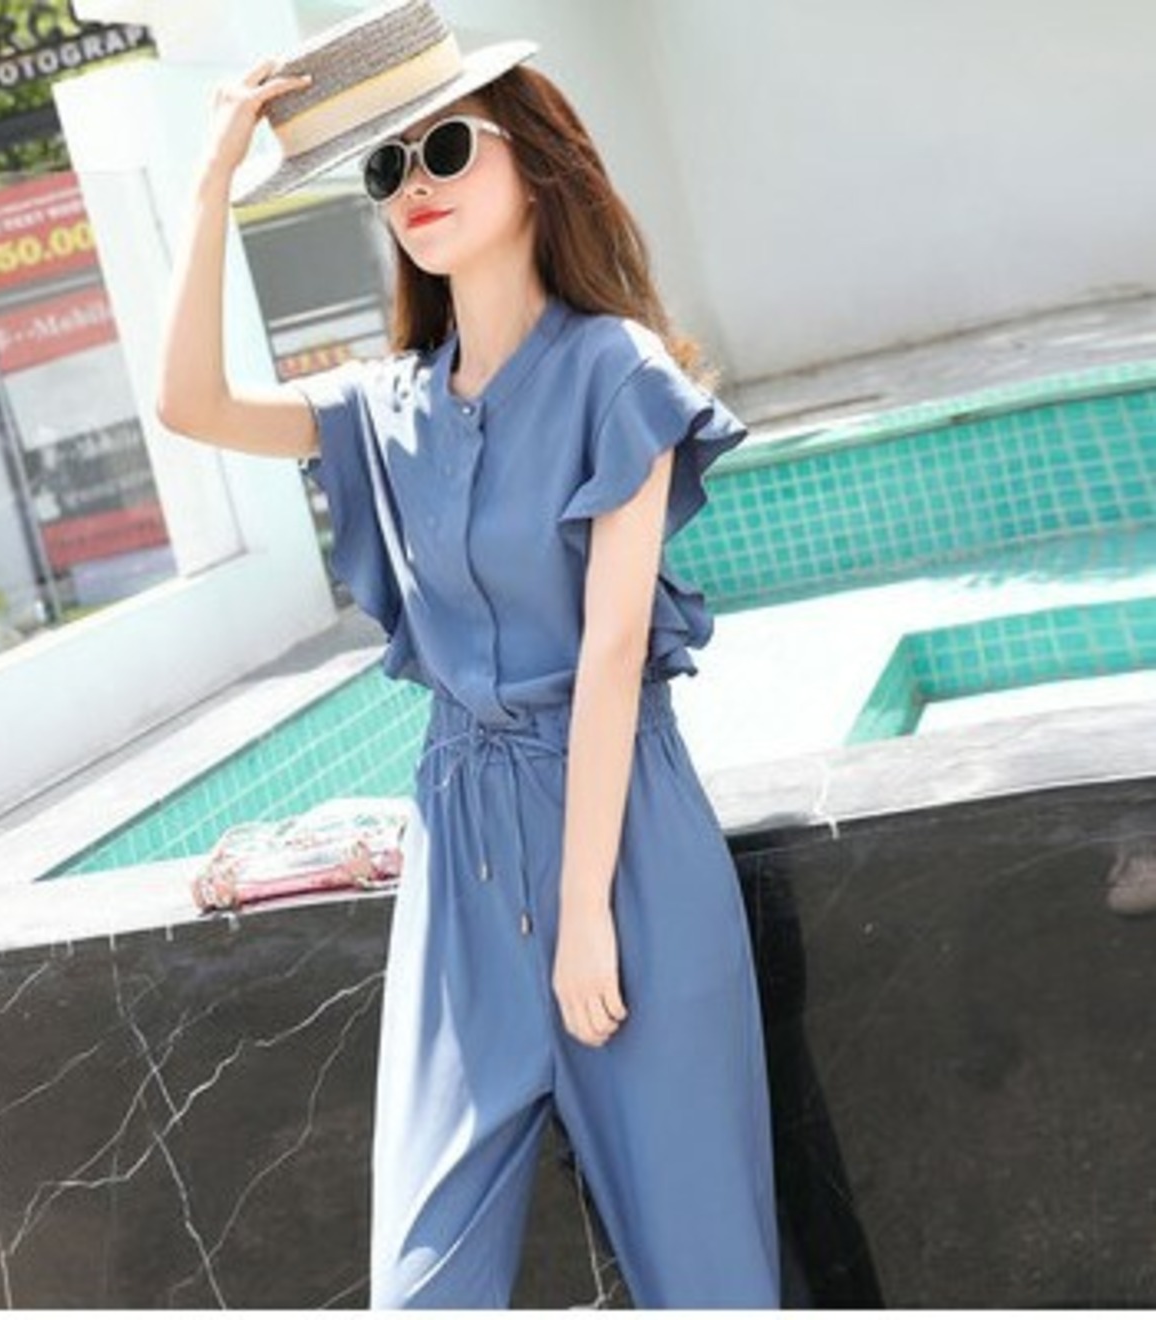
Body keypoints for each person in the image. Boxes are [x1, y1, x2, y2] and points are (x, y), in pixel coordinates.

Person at [156, 0, 780, 1307]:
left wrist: (584, 917)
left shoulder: (614, 374)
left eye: (446, 148)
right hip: (458, 862)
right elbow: (189, 403)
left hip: (627, 861)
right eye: (387, 169)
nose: (414, 187)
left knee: (708, 1279)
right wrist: (211, 183)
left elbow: (613, 654)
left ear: (532, 165)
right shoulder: (382, 409)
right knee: (421, 1285)